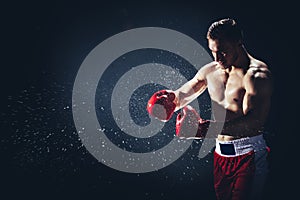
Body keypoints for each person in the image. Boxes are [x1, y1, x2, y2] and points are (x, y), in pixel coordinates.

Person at [147, 18, 272, 200]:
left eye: (223, 52)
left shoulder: (256, 76)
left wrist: (204, 129)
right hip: (221, 156)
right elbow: (184, 94)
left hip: (249, 155)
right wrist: (169, 101)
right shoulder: (211, 70)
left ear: (238, 42)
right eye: (213, 51)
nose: (217, 59)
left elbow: (254, 123)